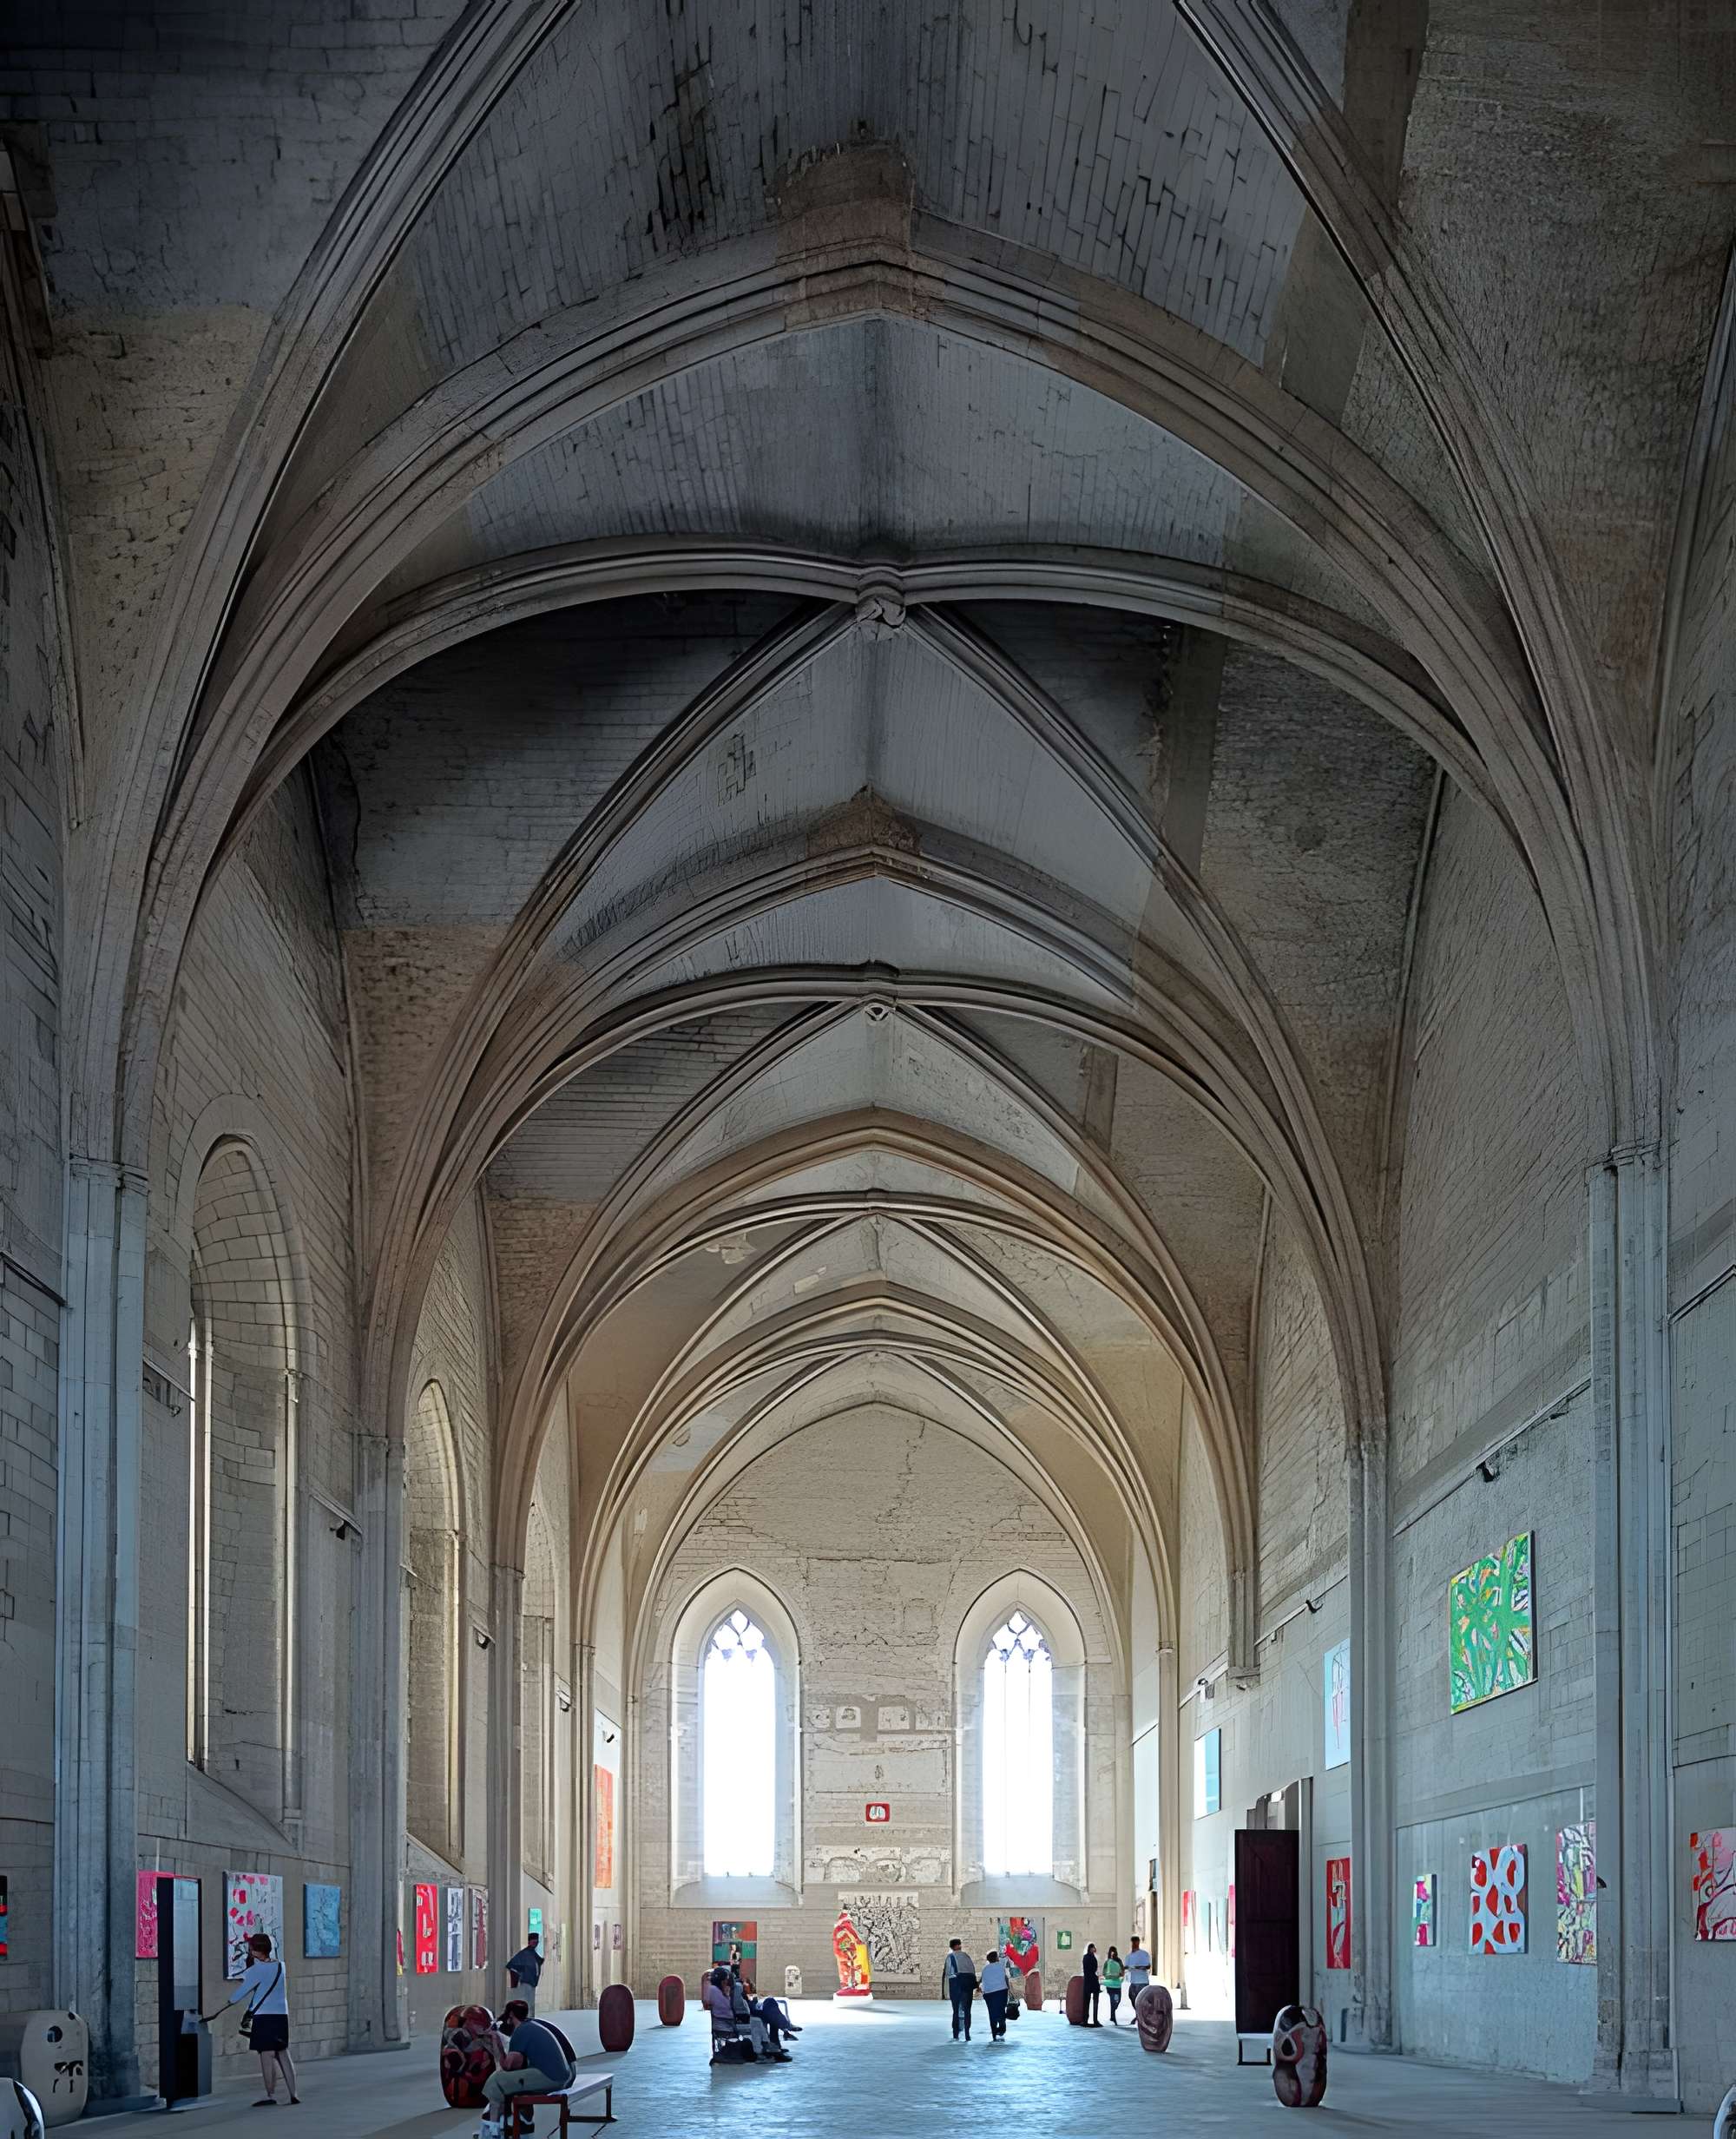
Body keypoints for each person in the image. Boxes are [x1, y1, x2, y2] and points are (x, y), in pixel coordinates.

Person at [207, 1930, 297, 2106]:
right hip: (281, 2015)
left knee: (266, 2055)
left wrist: (218, 2010)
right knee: (283, 2052)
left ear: (255, 1950)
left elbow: (240, 1993)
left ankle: (270, 2096)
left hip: (264, 2016)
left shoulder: (257, 1969)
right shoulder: (281, 1966)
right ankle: (294, 2093)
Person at [478, 1999, 574, 2136]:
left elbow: (507, 2066)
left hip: (550, 2078)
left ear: (511, 2015)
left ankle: (493, 2127)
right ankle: (522, 2121)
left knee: (497, 2080)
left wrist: (495, 2040)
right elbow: (517, 2064)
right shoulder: (531, 2025)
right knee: (513, 2083)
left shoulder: (521, 2031)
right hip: (561, 2075)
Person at [942, 1938, 976, 2040]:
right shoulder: (966, 1956)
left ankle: (956, 2034)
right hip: (968, 1985)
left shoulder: (950, 1957)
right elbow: (972, 1970)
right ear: (959, 1945)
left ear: (952, 1947)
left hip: (956, 1984)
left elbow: (948, 1972)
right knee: (967, 2010)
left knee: (956, 2010)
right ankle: (967, 2034)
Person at [504, 1932, 543, 2015]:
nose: (535, 1944)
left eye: (536, 1942)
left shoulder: (533, 1953)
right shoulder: (524, 1953)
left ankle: (530, 2018)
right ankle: (526, 2018)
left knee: (531, 2002)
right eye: (533, 1941)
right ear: (529, 1942)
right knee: (526, 2002)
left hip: (532, 1982)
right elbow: (512, 1965)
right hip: (526, 1981)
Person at [979, 1947, 1009, 2041]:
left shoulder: (985, 1969)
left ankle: (994, 2032)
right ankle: (1002, 2028)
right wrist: (1008, 1988)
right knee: (1001, 2010)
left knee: (992, 2012)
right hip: (1001, 1992)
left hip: (989, 1994)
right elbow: (1006, 1978)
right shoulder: (1001, 1966)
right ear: (996, 1958)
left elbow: (983, 1982)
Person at [1125, 1934, 1152, 2004]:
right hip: (1134, 1981)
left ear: (1139, 1943)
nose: (1134, 1944)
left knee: (1142, 2001)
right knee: (1133, 1999)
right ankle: (1138, 2014)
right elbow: (1126, 1967)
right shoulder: (1129, 1956)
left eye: (1136, 1942)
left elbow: (1148, 1966)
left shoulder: (1144, 1954)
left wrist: (1138, 1967)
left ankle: (1140, 2014)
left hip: (1143, 1981)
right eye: (1133, 1943)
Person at [1103, 1945, 1125, 2024]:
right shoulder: (1107, 1962)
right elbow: (1104, 1972)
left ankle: (1113, 2015)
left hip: (1117, 1984)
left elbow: (1122, 1971)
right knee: (1113, 2001)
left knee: (1117, 2001)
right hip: (1110, 1984)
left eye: (1114, 1952)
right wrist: (1109, 1976)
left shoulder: (1119, 1961)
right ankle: (1113, 2017)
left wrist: (1120, 1975)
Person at [1082, 1941, 1101, 2025]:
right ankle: (1095, 2020)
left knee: (1086, 2002)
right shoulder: (1092, 1958)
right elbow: (1094, 1969)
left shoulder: (1085, 1957)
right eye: (1093, 1948)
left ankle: (1085, 2020)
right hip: (1093, 1981)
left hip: (1087, 1981)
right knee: (1095, 2002)